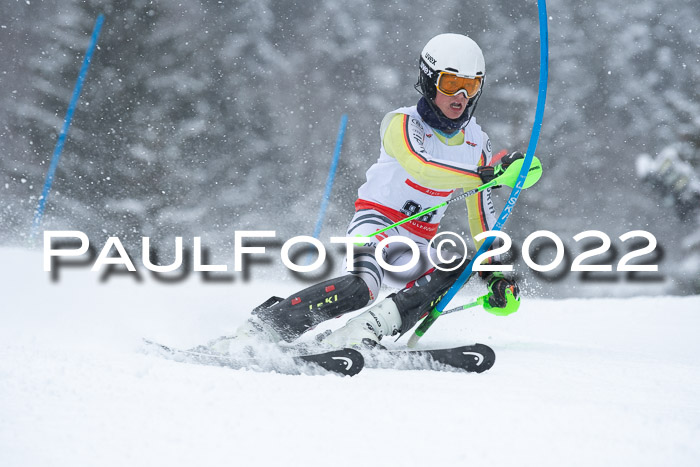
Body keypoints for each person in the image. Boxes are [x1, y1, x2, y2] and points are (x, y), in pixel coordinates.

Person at [220, 33, 521, 352]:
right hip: (378, 227)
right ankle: (265, 327)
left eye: (470, 85)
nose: (460, 95)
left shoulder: (478, 143)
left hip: (417, 243)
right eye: (449, 84)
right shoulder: (403, 123)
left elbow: (483, 220)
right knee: (360, 289)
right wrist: (489, 175)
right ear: (429, 81)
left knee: (457, 268)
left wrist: (496, 277)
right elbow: (422, 166)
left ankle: (363, 329)